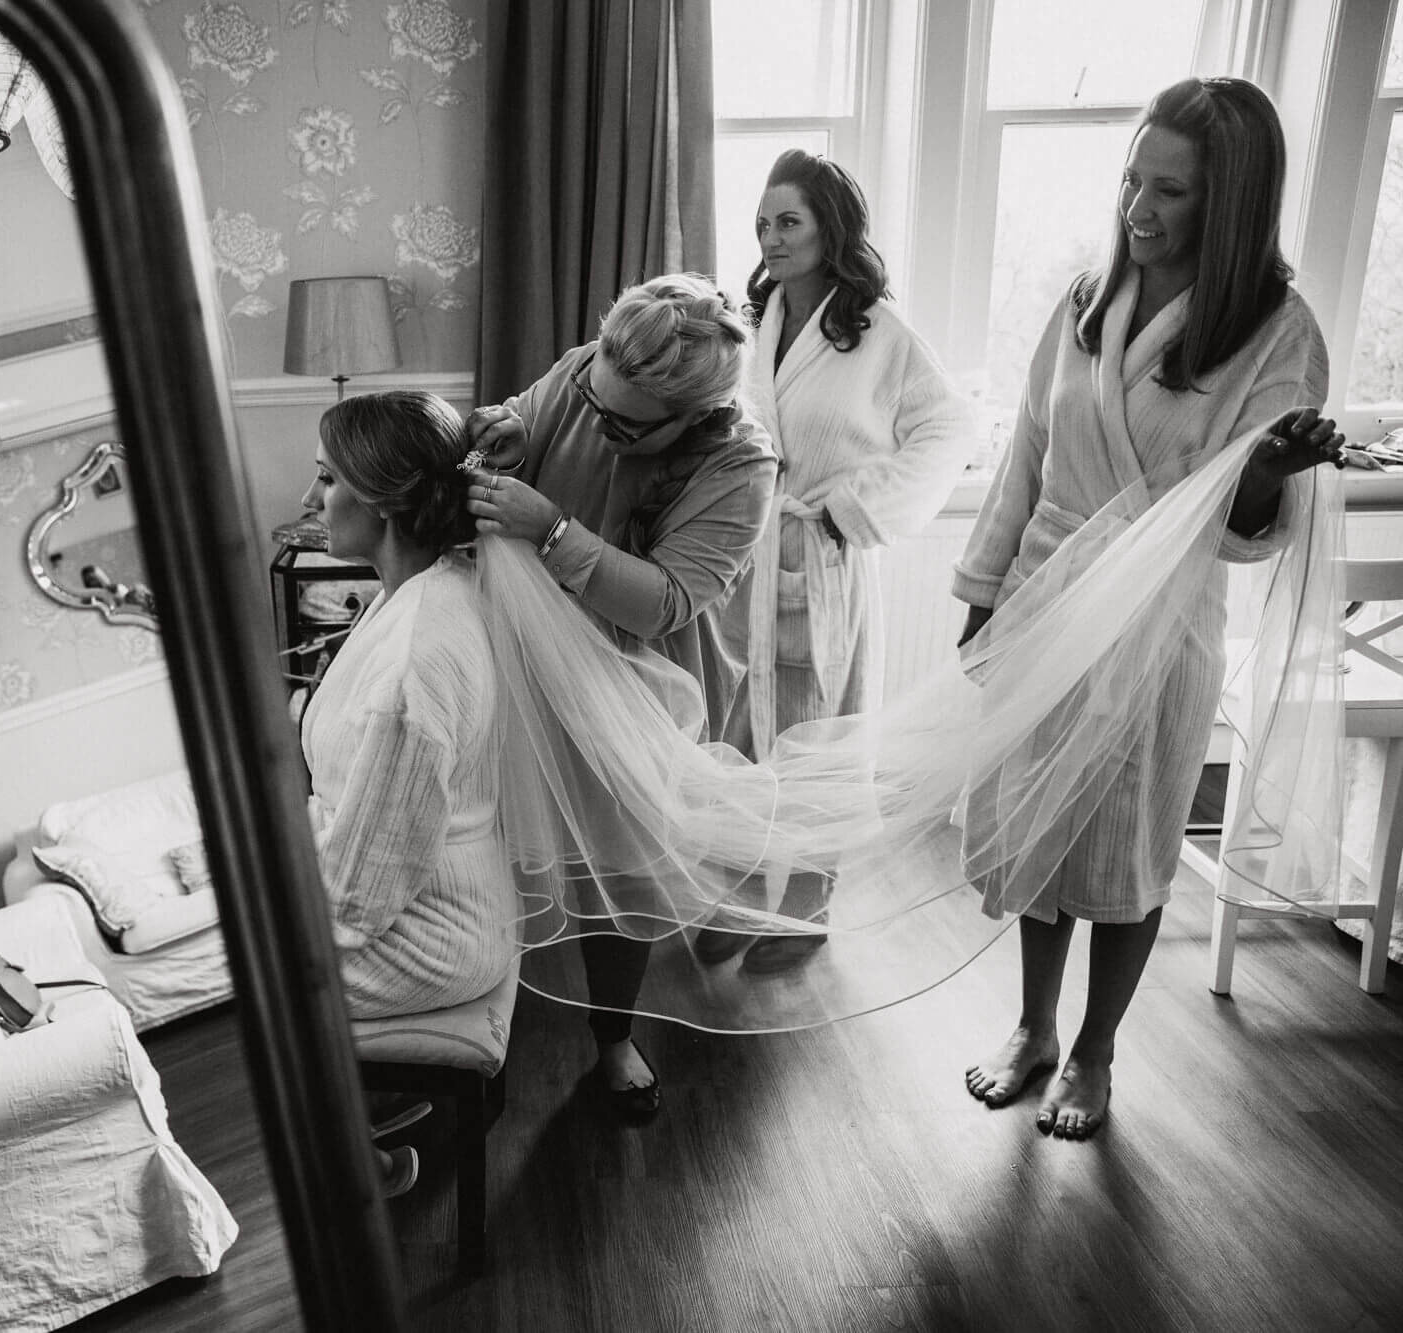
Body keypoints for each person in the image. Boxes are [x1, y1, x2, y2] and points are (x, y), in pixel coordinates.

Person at [953, 77, 1342, 1139]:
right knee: (1035, 835)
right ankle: (1032, 1026)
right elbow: (1025, 456)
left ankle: (1094, 1050)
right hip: (1044, 598)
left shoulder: (1273, 334)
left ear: (1228, 206)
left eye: (1168, 191)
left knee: (1124, 851)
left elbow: (1244, 526)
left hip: (1156, 626)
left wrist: (1259, 471)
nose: (1137, 207)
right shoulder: (1086, 297)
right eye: (1132, 176)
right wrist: (981, 593)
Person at [465, 272, 776, 1119]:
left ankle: (613, 1039)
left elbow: (670, 600)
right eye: (595, 401)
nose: (599, 424)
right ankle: (477, 1014)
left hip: (640, 673)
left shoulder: (739, 464)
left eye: (626, 425)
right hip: (524, 644)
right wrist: (506, 426)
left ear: (695, 418)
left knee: (621, 867)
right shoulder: (586, 373)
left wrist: (553, 531)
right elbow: (529, 424)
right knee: (492, 833)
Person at [697, 150, 975, 972]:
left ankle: (810, 904)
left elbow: (949, 428)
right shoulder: (756, 319)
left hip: (825, 555)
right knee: (744, 731)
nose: (771, 238)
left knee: (822, 730)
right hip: (750, 555)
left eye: (789, 222)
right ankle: (744, 895)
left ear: (830, 228)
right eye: (762, 223)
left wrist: (850, 513)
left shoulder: (879, 331)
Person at [298, 390, 522, 1194]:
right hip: (432, 888)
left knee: (251, 970)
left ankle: (364, 1165)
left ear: (387, 502)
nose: (308, 499)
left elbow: (362, 893)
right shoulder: (427, 584)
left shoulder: (415, 658)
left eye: (325, 480)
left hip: (432, 932)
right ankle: (368, 1113)